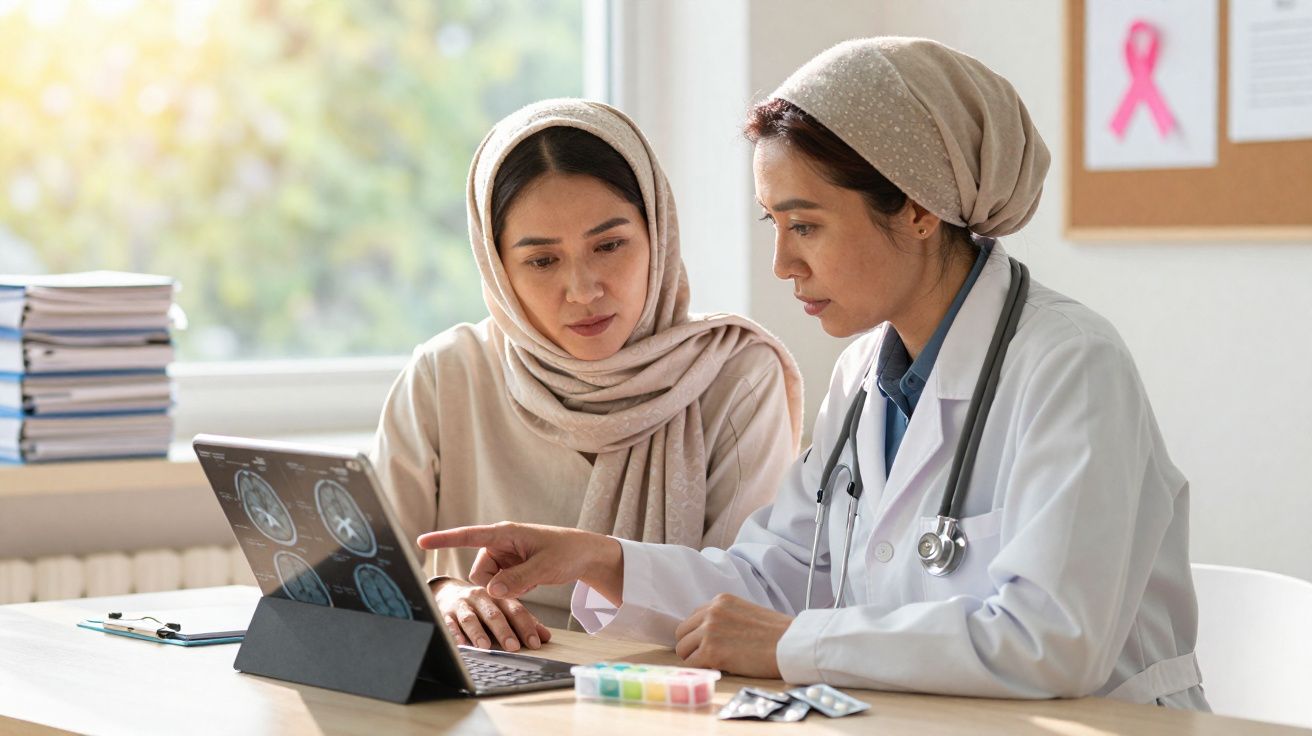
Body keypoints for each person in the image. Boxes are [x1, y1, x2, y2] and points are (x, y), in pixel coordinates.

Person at [416, 39, 1210, 709]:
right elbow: (777, 574)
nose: (783, 262)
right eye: (774, 223)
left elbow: (1052, 641)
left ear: (919, 207)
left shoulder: (1070, 366)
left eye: (805, 225)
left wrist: (799, 644)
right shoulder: (866, 370)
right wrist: (597, 558)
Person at [370, 99, 804, 655]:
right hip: (486, 694)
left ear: (659, 235)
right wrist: (442, 592)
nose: (583, 290)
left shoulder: (737, 375)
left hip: (662, 697)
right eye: (542, 261)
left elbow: (751, 602)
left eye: (609, 245)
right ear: (498, 268)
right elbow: (358, 570)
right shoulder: (446, 374)